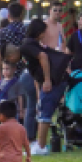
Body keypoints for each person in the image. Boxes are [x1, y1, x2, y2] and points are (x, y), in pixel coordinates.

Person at [20, 19, 71, 155]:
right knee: (42, 111)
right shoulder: (32, 44)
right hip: (52, 80)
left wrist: (47, 80)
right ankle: (40, 143)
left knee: (44, 113)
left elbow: (42, 57)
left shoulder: (29, 45)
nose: (44, 35)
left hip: (53, 81)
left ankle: (41, 146)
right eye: (43, 32)